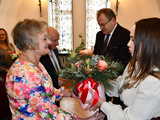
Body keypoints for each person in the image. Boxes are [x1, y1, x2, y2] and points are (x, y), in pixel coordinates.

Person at [94, 17, 160, 120]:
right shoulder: (135, 63)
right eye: (130, 39)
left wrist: (103, 105)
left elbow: (129, 118)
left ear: (149, 44)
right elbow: (121, 85)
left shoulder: (154, 82)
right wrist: (98, 84)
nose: (128, 44)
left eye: (133, 40)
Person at [5, 19, 71, 119]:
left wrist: (63, 92)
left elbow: (45, 92)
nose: (49, 42)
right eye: (44, 39)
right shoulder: (26, 73)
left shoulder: (36, 63)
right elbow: (48, 114)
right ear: (29, 44)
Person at [0, 28, 15, 120]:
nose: (2, 36)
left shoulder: (10, 45)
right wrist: (5, 69)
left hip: (12, 72)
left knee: (13, 92)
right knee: (4, 95)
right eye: (0, 35)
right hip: (2, 74)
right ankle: (5, 115)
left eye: (3, 34)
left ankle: (13, 111)